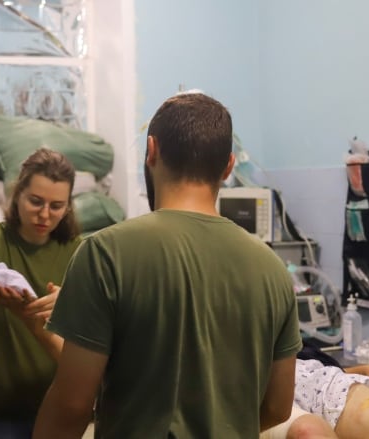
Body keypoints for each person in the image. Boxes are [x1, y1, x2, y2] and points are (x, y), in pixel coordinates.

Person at [32, 91, 302, 438]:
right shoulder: (273, 269)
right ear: (229, 167)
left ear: (152, 151)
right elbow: (279, 406)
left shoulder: (105, 253)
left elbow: (71, 405)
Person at [0, 148, 82, 438]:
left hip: (55, 411)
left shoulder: (79, 254)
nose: (44, 214)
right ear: (18, 193)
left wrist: (74, 302)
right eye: (35, 202)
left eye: (57, 206)